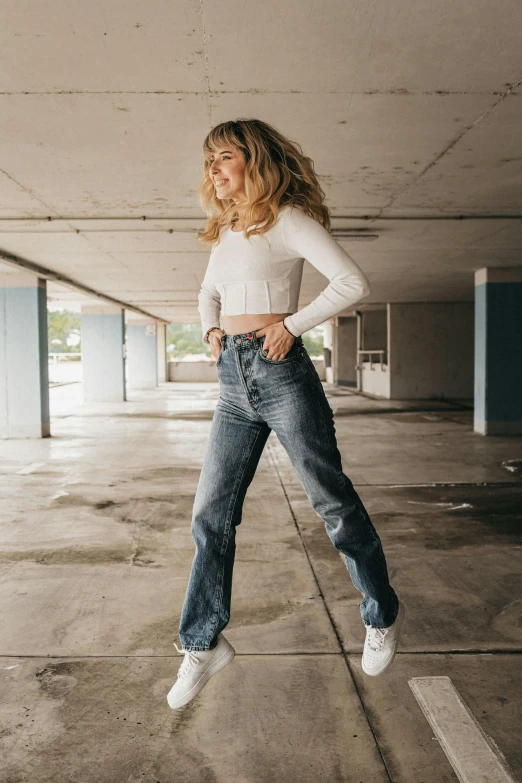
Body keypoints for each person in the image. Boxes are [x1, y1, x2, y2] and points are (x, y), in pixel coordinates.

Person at [167, 119, 405, 710]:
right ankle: (202, 645)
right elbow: (207, 292)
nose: (213, 171)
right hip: (233, 382)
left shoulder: (289, 219)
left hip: (282, 376)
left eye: (223, 158)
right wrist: (212, 330)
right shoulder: (226, 229)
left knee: (331, 502)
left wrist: (291, 326)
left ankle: (382, 612)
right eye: (209, 162)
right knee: (210, 515)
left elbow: (352, 281)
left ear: (254, 160)